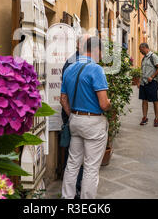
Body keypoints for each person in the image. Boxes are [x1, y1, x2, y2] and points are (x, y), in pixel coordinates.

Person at [60, 37, 111, 199]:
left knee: (72, 164)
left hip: (74, 120)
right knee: (90, 167)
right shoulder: (96, 69)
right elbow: (103, 104)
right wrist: (110, 104)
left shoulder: (69, 68)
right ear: (96, 50)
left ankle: (67, 197)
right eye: (102, 52)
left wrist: (74, 115)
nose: (102, 56)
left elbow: (63, 99)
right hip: (93, 123)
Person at [60, 34, 90, 199]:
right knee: (74, 156)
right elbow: (65, 94)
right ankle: (75, 189)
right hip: (74, 116)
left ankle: (73, 190)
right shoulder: (74, 63)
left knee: (75, 155)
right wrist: (73, 115)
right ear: (79, 45)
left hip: (74, 115)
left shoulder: (77, 61)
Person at [138, 43, 158, 127]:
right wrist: (139, 81)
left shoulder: (153, 56)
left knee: (155, 100)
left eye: (140, 50)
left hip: (152, 82)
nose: (140, 52)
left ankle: (156, 118)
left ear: (144, 48)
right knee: (144, 100)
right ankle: (144, 117)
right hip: (143, 82)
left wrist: (152, 76)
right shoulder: (144, 59)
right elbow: (142, 71)